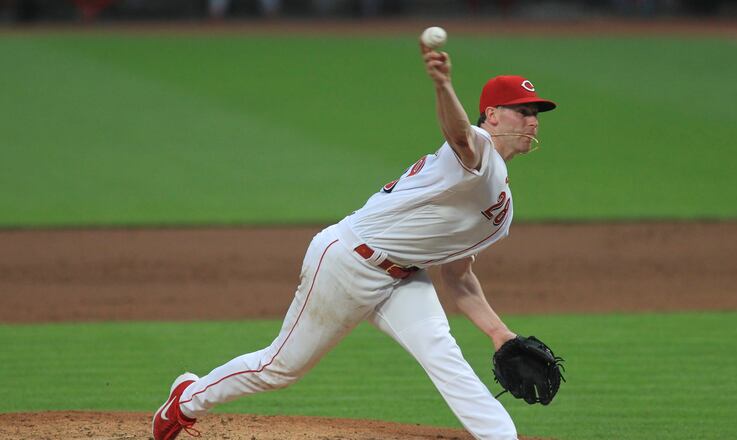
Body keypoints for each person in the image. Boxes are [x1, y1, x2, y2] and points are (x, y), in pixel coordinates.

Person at [153, 39, 557, 440]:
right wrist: (443, 85)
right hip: (347, 261)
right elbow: (460, 137)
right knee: (280, 368)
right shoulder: (478, 150)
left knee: (441, 352)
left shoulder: (501, 208)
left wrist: (498, 333)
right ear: (492, 116)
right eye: (523, 111)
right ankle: (186, 402)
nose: (533, 120)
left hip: (402, 278)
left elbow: (458, 276)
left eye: (535, 113)